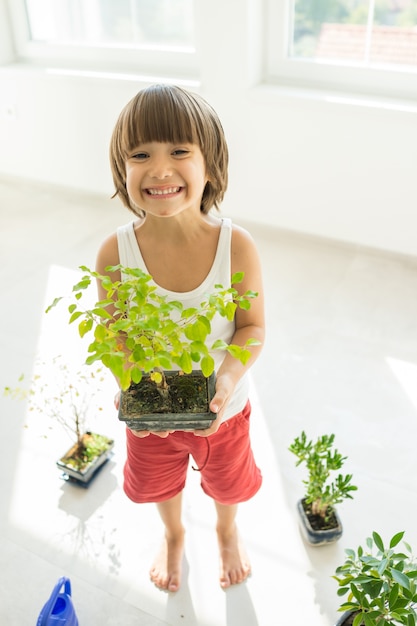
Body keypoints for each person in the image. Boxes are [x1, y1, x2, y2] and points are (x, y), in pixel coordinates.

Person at [96, 83, 265, 593]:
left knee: (228, 483)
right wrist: (130, 382)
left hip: (223, 409)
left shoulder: (236, 246)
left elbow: (252, 327)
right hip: (152, 412)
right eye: (141, 154)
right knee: (158, 483)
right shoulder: (114, 254)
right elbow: (113, 334)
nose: (160, 168)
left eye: (179, 151)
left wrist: (228, 377)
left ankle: (226, 530)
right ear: (122, 171)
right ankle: (173, 535)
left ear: (209, 166)